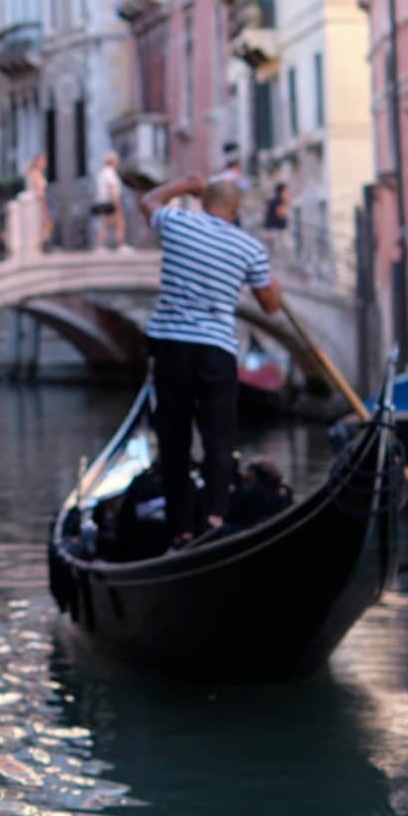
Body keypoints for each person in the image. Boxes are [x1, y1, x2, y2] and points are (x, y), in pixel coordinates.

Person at [137, 171, 285, 544]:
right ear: (235, 210)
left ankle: (182, 528)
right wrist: (274, 282)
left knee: (174, 440)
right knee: (219, 437)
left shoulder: (179, 222)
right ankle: (216, 518)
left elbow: (147, 202)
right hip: (216, 351)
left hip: (171, 346)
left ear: (204, 203)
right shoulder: (249, 248)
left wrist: (183, 184)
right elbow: (270, 306)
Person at [93, 151, 126, 251]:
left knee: (104, 224)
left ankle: (100, 246)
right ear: (113, 162)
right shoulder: (110, 173)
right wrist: (116, 204)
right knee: (120, 222)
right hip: (110, 202)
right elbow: (112, 189)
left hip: (102, 201)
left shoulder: (102, 173)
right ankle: (121, 245)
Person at [25, 152, 53, 250]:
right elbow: (40, 191)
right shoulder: (36, 173)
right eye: (43, 161)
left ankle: (43, 245)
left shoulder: (35, 173)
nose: (44, 163)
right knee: (44, 223)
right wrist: (44, 204)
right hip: (40, 201)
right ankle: (43, 245)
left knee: (44, 224)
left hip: (38, 201)